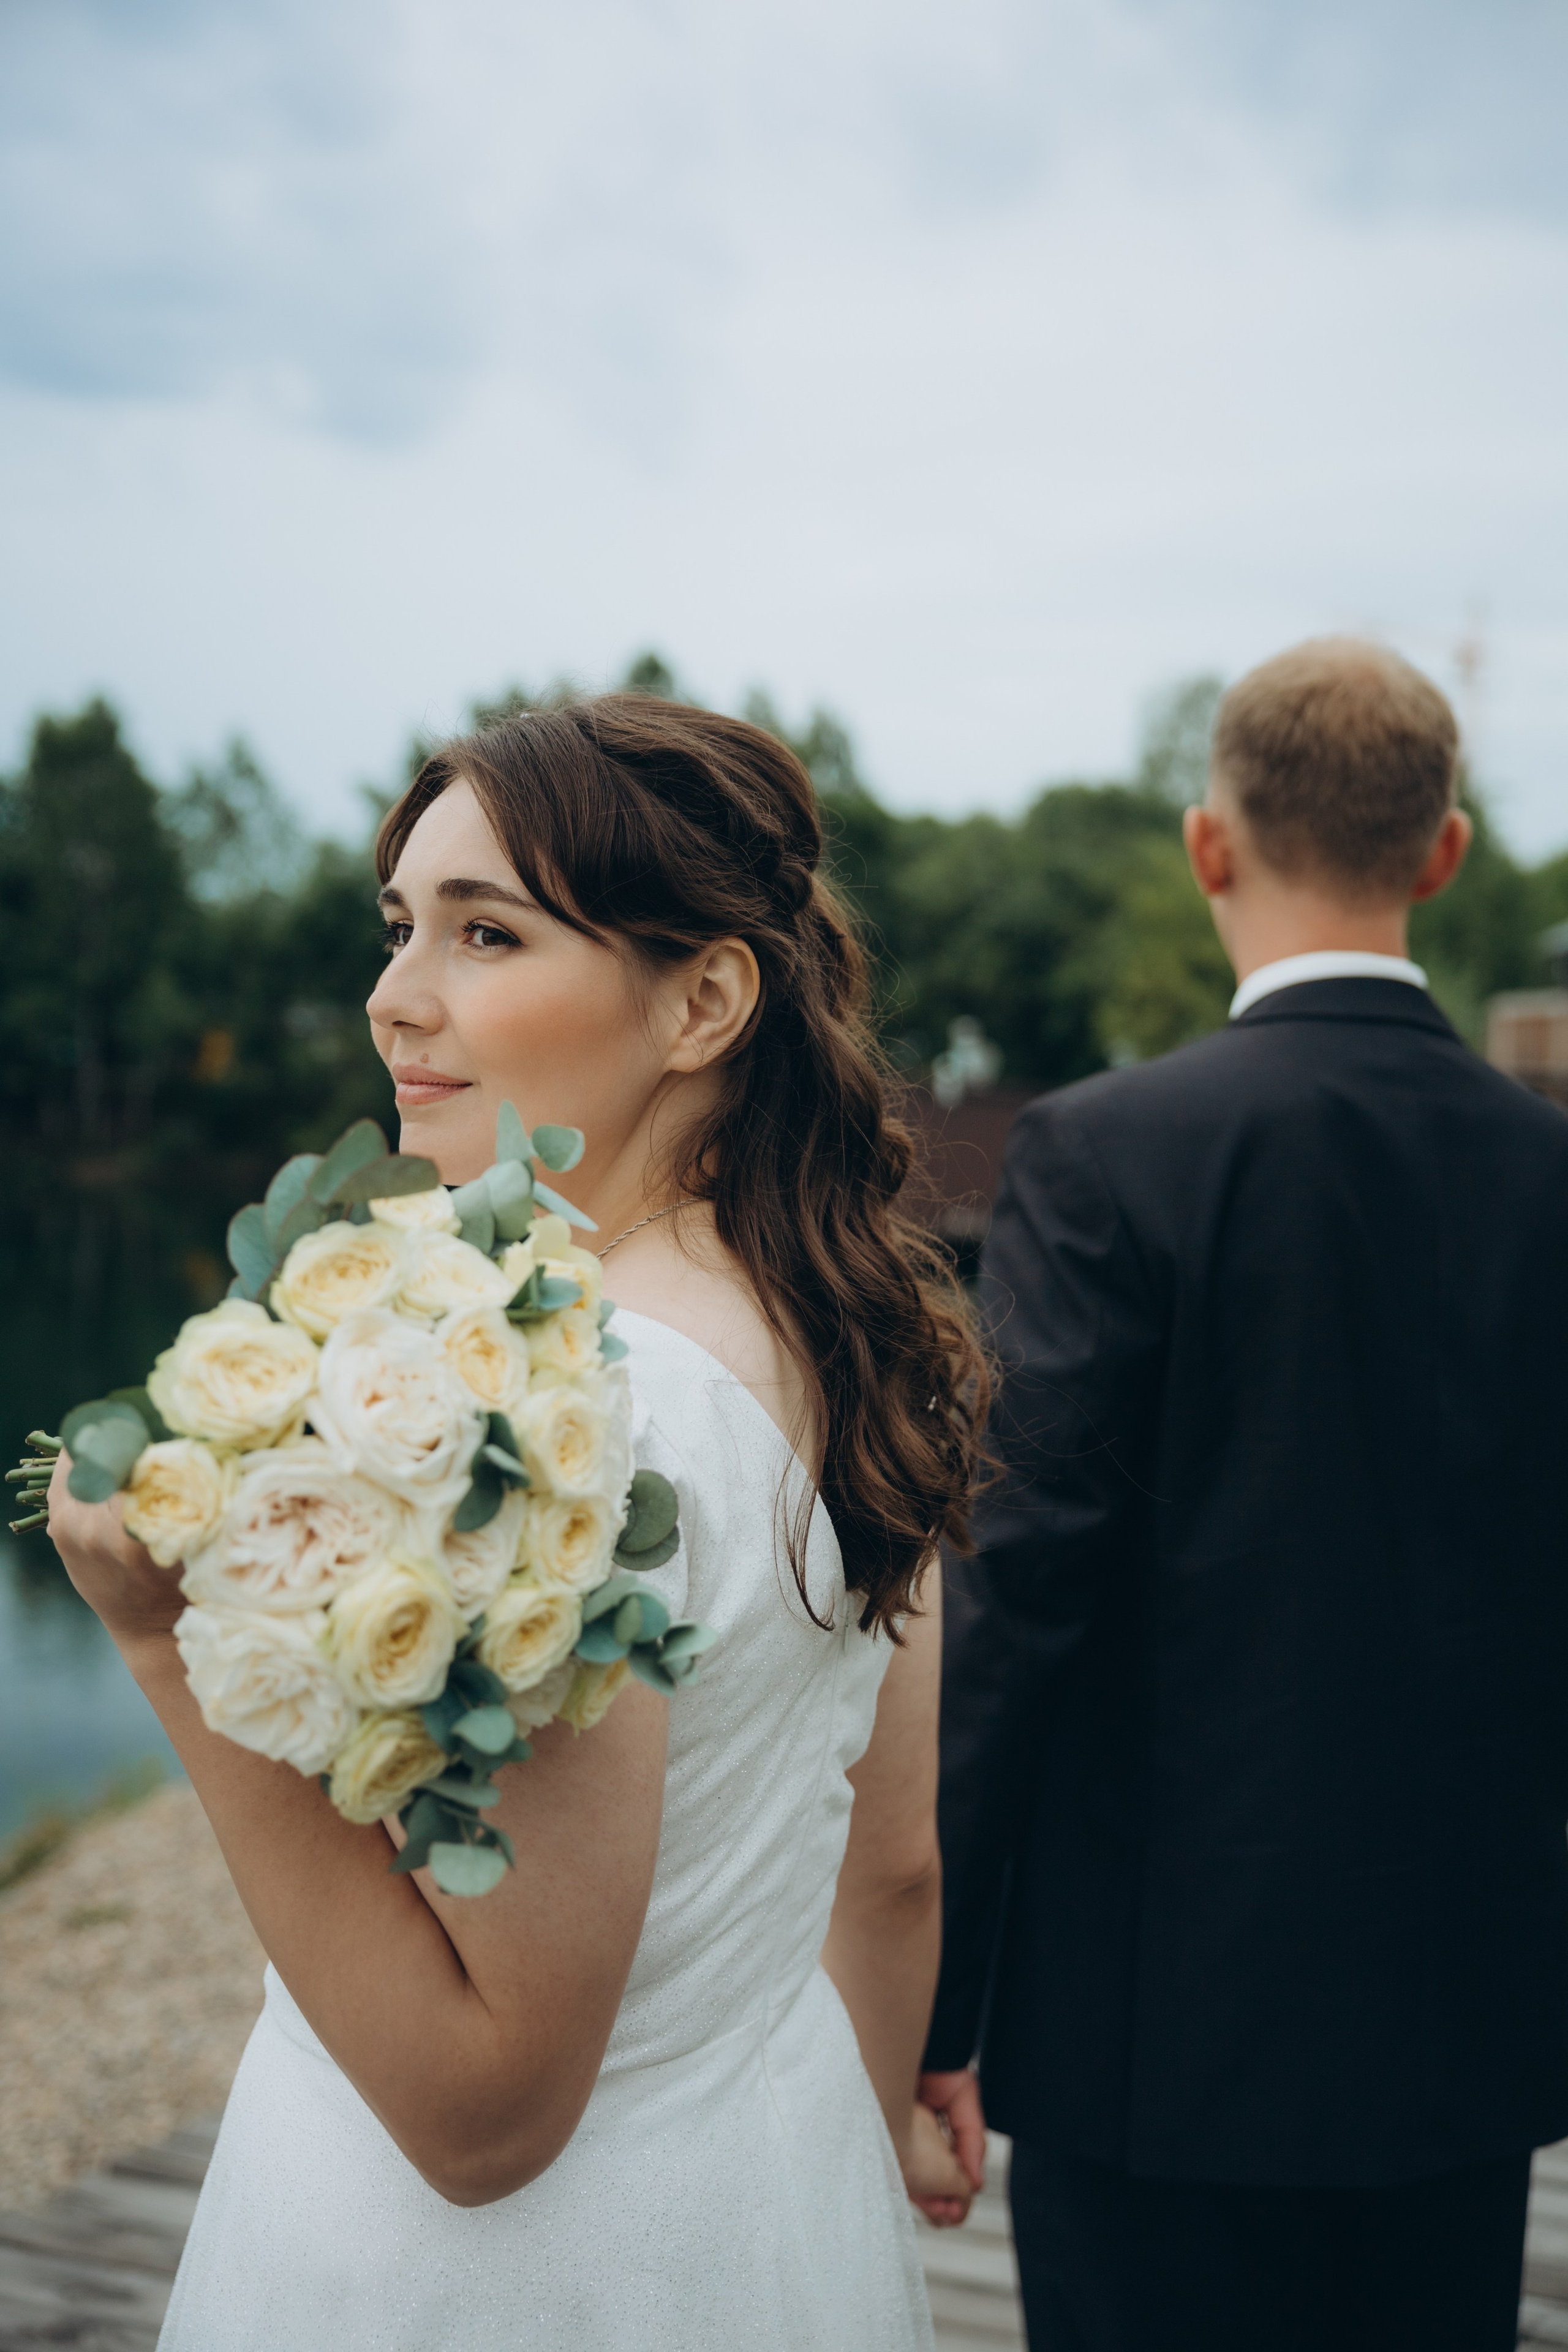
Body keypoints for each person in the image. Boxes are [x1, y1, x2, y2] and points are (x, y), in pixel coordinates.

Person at [47, 694, 986, 2351]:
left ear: (704, 998)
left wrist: (158, 1646)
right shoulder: (852, 1336)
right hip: (768, 2220)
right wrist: (866, 2121)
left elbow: (486, 2113)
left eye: (486, 934)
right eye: (401, 925)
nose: (396, 998)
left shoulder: (564, 1409)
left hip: (497, 2287)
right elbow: (892, 1868)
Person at [919, 639, 1568, 2352]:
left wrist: (934, 2003)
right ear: (1444, 853)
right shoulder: (1549, 1176)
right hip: (1466, 2017)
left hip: (1157, 2029)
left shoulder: (1100, 1155)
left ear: (1209, 848)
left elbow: (1015, 1593)